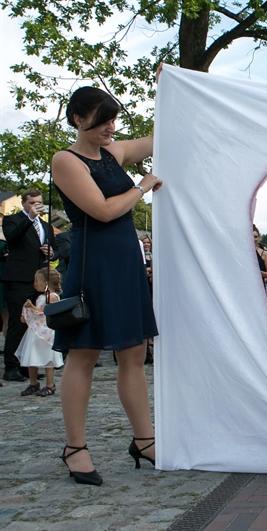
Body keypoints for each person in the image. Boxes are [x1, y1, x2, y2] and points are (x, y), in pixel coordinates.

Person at [50, 85, 162, 486]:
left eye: (113, 119)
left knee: (134, 351)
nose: (111, 127)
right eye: (102, 120)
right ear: (78, 119)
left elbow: (161, 135)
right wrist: (142, 187)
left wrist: (169, 87)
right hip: (92, 264)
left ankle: (144, 440)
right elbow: (101, 210)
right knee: (84, 353)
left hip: (126, 261)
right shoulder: (65, 160)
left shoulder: (113, 152)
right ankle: (75, 448)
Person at [2, 190, 56, 383]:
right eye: (32, 202)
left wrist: (51, 252)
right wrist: (30, 218)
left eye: (38, 202)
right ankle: (11, 367)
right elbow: (13, 238)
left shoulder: (46, 226)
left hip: (40, 280)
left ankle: (28, 367)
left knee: (35, 323)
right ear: (24, 203)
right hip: (19, 278)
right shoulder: (12, 220)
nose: (36, 205)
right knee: (19, 322)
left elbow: (55, 249)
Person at [17, 267, 63, 397]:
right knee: (32, 357)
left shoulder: (52, 296)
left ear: (46, 283)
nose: (35, 283)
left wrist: (31, 307)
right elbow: (37, 314)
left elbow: (45, 312)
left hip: (46, 333)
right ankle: (33, 383)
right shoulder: (41, 297)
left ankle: (50, 385)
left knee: (48, 359)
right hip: (35, 332)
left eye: (37, 280)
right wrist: (27, 313)